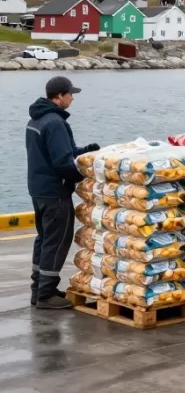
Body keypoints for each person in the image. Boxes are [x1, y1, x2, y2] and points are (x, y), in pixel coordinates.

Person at [26, 76, 99, 309]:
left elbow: (61, 153)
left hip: (39, 190)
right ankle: (47, 296)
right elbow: (62, 163)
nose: (72, 97)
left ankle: (38, 289)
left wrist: (85, 152)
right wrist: (84, 177)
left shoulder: (36, 120)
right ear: (59, 96)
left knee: (44, 239)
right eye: (70, 94)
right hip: (55, 191)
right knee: (56, 242)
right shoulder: (55, 122)